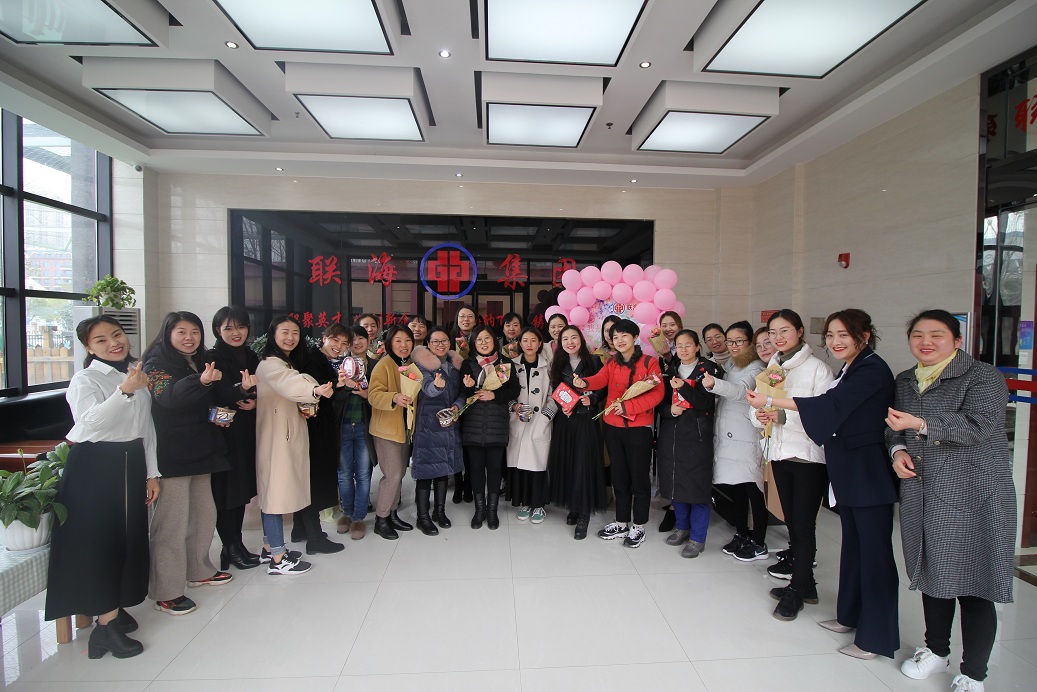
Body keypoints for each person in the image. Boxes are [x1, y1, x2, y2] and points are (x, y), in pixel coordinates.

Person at [748, 309, 899, 660]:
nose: (835, 341)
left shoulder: (871, 369)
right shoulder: (850, 368)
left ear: (865, 335)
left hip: (865, 470)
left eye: (843, 334)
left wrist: (771, 401)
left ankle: (875, 640)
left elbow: (828, 406)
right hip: (847, 468)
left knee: (874, 557)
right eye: (830, 335)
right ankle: (849, 616)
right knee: (854, 549)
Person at [886, 309, 1016, 692]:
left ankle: (974, 673)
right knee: (933, 574)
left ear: (957, 341)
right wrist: (897, 451)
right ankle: (936, 651)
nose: (925, 342)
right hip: (923, 490)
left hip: (974, 494)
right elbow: (891, 427)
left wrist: (920, 424)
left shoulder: (983, 376)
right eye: (918, 335)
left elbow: (978, 425)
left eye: (936, 335)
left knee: (976, 583)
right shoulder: (906, 380)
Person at [45, 316, 160, 659]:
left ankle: (115, 607)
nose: (113, 343)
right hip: (95, 466)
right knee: (102, 542)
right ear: (88, 348)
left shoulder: (134, 373)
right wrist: (124, 391)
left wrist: (152, 473)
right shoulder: (86, 379)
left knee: (128, 538)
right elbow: (88, 423)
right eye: (101, 340)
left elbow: (146, 427)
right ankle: (104, 628)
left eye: (117, 334)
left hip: (130, 461)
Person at [143, 312, 233, 614]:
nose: (189, 337)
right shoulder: (155, 364)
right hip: (173, 456)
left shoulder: (198, 361)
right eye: (181, 331)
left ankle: (199, 570)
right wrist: (201, 380)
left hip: (202, 450)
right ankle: (166, 591)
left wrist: (222, 413)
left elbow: (202, 404)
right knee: (172, 524)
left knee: (203, 516)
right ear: (167, 333)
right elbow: (168, 398)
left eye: (194, 331)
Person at [751, 309, 833, 621]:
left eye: (784, 330)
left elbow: (824, 415)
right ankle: (806, 584)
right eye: (773, 332)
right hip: (779, 453)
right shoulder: (773, 367)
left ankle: (797, 590)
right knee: (792, 522)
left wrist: (782, 416)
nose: (778, 337)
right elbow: (758, 404)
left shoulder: (817, 369)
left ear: (799, 331)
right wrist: (759, 416)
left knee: (803, 524)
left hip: (807, 457)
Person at [573, 319, 664, 548]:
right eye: (615, 337)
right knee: (619, 477)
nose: (620, 340)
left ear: (635, 337)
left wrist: (628, 407)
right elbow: (601, 379)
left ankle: (639, 525)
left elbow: (657, 394)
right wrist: (584, 383)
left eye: (624, 335)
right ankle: (621, 522)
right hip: (613, 428)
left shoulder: (649, 362)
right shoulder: (612, 362)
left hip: (639, 429)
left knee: (639, 479)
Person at [256, 315, 331, 575]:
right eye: (285, 332)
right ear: (273, 335)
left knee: (272, 492)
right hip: (276, 440)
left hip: (282, 435)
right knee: (274, 496)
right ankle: (278, 558)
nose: (290, 337)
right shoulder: (271, 364)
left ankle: (270, 548)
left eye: (295, 333)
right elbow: (290, 382)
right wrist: (315, 390)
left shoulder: (284, 361)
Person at [702, 321, 768, 561]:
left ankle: (759, 541)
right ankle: (742, 533)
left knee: (754, 490)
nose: (733, 345)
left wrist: (714, 384)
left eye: (739, 341)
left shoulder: (757, 367)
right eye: (730, 341)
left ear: (750, 342)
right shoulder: (731, 363)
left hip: (747, 437)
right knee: (737, 487)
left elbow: (741, 391)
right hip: (730, 435)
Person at [203, 306, 260, 571]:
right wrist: (242, 390)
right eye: (229, 328)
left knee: (241, 492)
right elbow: (216, 395)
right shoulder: (212, 358)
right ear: (218, 330)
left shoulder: (250, 355)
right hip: (224, 435)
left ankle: (236, 545)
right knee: (227, 493)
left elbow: (261, 388)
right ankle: (229, 546)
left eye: (241, 327)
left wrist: (255, 400)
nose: (236, 333)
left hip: (246, 432)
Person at [656, 330, 719, 558]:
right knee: (676, 483)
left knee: (698, 487)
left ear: (697, 347)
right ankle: (682, 528)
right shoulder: (671, 369)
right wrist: (670, 411)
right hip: (672, 435)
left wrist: (683, 387)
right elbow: (660, 404)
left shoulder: (709, 370)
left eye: (688, 345)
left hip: (697, 436)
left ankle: (698, 537)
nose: (683, 350)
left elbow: (706, 404)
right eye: (679, 346)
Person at [296, 324, 351, 554]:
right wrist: (337, 387)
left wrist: (338, 386)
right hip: (314, 429)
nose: (339, 347)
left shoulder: (320, 360)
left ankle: (300, 530)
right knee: (315, 480)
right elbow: (317, 396)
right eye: (335, 340)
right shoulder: (314, 361)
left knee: (312, 478)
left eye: (344, 344)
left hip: (317, 427)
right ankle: (315, 538)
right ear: (325, 338)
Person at [546, 325, 604, 539]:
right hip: (566, 420)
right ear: (560, 343)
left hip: (586, 419)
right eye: (565, 339)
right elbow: (555, 389)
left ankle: (584, 513)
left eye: (574, 337)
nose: (570, 342)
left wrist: (593, 399)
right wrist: (562, 406)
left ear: (581, 339)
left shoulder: (594, 361)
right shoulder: (558, 364)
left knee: (583, 464)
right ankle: (574, 505)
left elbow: (603, 386)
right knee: (568, 462)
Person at [459, 324, 520, 529]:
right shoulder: (468, 364)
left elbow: (514, 390)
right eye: (479, 339)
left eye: (487, 338)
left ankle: (492, 511)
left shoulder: (505, 363)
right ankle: (479, 510)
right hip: (473, 425)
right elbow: (463, 393)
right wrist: (468, 387)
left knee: (494, 468)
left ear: (494, 341)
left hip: (497, 425)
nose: (483, 343)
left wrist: (494, 395)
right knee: (476, 469)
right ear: (473, 343)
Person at [410, 327, 465, 535]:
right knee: (425, 472)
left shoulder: (455, 366)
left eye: (444, 341)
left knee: (443, 470)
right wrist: (437, 387)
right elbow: (427, 387)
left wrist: (457, 406)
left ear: (450, 344)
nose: (440, 345)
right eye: (435, 341)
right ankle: (422, 516)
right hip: (428, 426)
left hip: (449, 424)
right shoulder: (421, 366)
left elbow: (463, 393)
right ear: (429, 344)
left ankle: (439, 512)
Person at [368, 325, 418, 540]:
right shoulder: (384, 365)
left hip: (404, 427)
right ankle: (381, 519)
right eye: (398, 340)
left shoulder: (410, 365)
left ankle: (392, 513)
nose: (403, 345)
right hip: (386, 430)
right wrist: (394, 397)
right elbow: (373, 395)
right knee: (393, 474)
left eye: (407, 340)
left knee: (400, 473)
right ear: (389, 343)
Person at [506, 327, 553, 524]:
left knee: (537, 464)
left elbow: (553, 395)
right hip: (518, 422)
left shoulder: (548, 366)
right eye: (525, 340)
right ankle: (524, 503)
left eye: (534, 340)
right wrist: (513, 406)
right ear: (519, 343)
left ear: (540, 343)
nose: (529, 344)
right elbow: (504, 392)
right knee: (521, 464)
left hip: (539, 422)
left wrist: (545, 417)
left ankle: (539, 505)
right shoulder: (511, 365)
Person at [337, 325, 376, 539]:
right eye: (352, 340)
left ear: (368, 340)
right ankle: (347, 513)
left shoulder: (375, 366)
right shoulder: (339, 366)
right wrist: (344, 386)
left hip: (364, 425)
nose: (357, 343)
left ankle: (359, 517)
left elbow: (381, 395)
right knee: (344, 474)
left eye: (361, 338)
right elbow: (332, 398)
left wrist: (367, 395)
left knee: (363, 473)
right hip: (343, 425)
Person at [450, 304, 478, 503]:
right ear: (457, 320)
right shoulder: (449, 340)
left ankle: (468, 485)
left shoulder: (480, 340)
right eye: (462, 316)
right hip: (453, 396)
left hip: (474, 395)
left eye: (470, 316)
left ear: (475, 320)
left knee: (469, 444)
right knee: (455, 443)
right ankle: (457, 484)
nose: (466, 320)